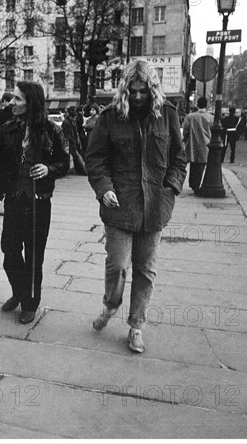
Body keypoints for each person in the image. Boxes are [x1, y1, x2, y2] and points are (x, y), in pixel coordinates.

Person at [85, 59, 187, 353]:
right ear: (125, 89)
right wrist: (104, 189)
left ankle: (136, 327)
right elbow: (95, 159)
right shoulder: (110, 116)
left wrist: (171, 187)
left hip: (155, 206)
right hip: (119, 205)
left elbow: (179, 158)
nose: (138, 96)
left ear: (152, 89)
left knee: (146, 270)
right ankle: (110, 305)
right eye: (133, 91)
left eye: (143, 91)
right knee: (117, 265)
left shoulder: (167, 114)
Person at [0, 81, 69, 324]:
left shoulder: (51, 130)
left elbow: (64, 163)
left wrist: (48, 169)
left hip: (39, 202)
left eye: (17, 99)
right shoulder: (7, 129)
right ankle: (19, 291)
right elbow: (0, 162)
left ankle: (30, 303)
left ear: (31, 103)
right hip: (15, 200)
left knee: (35, 255)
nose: (11, 103)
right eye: (12, 98)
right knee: (9, 250)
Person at [182, 97, 212, 193]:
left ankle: (193, 184)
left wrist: (185, 139)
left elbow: (185, 130)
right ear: (206, 105)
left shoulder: (190, 117)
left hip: (193, 144)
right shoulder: (210, 118)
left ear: (197, 105)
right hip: (206, 144)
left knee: (193, 164)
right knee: (201, 165)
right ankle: (196, 184)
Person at [61, 106, 87, 175]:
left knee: (74, 156)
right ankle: (83, 171)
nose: (75, 119)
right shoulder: (67, 122)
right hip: (70, 142)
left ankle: (80, 170)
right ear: (71, 117)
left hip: (72, 142)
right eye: (75, 117)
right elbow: (67, 134)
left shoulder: (70, 122)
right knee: (76, 156)